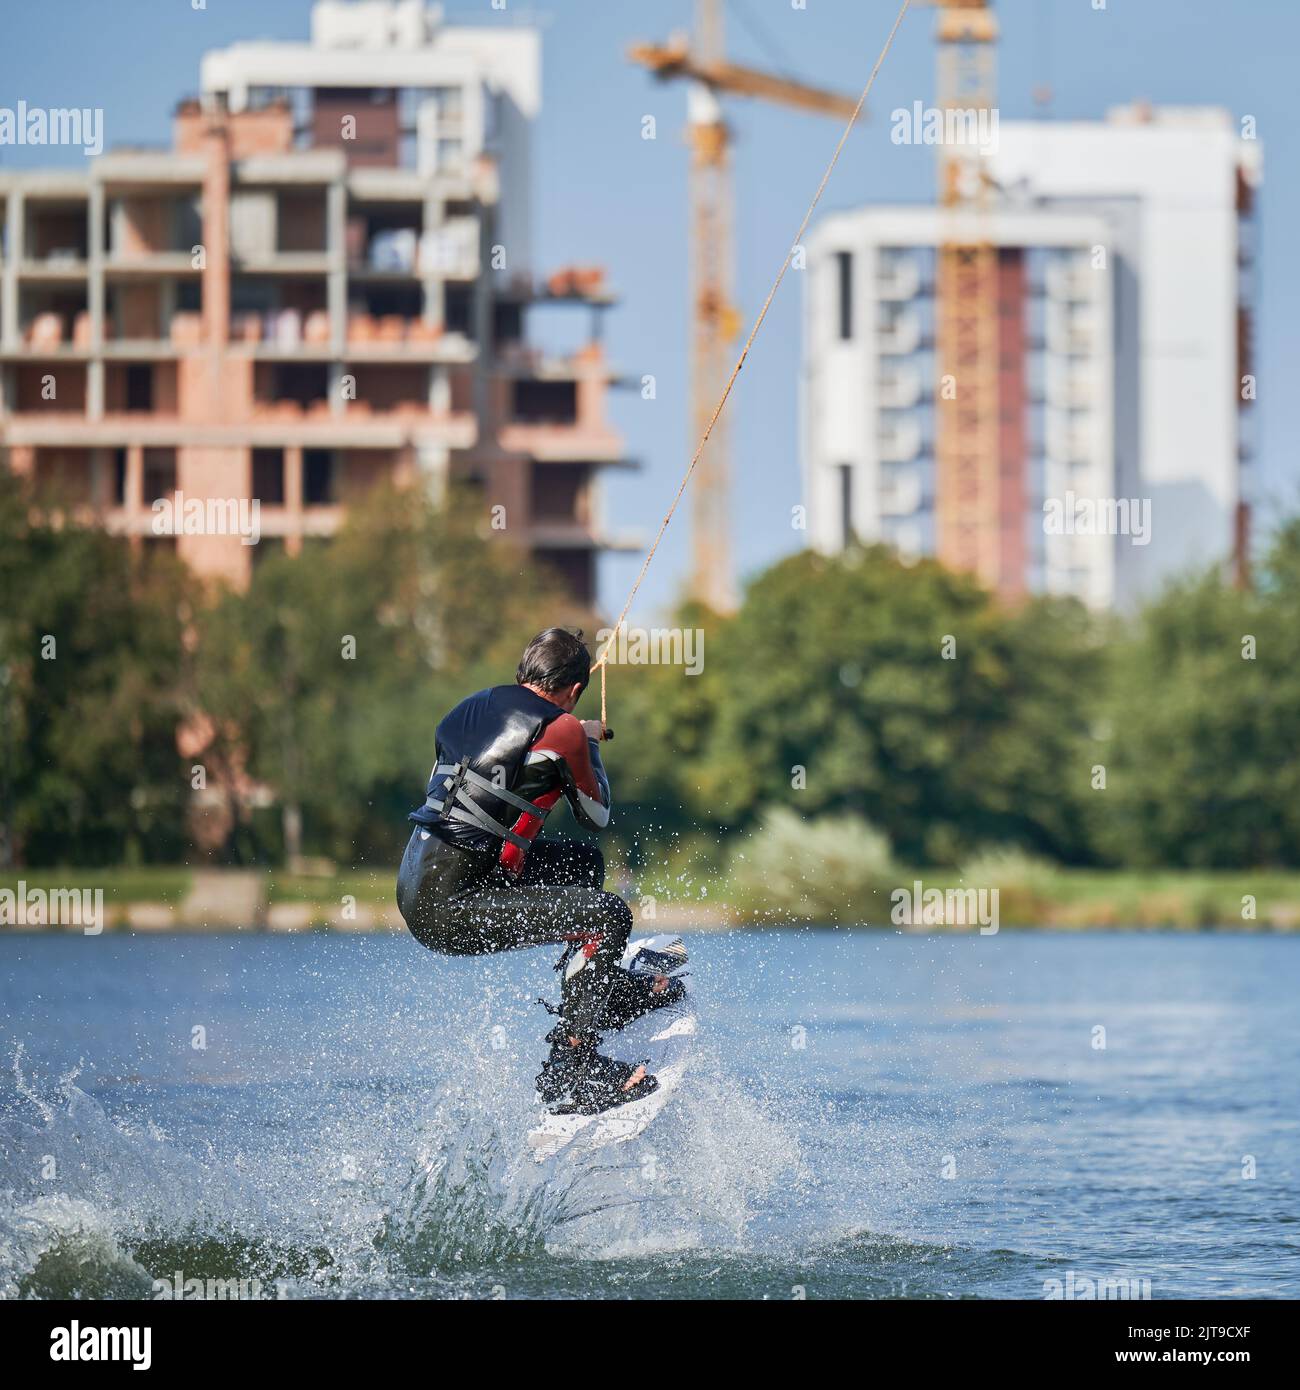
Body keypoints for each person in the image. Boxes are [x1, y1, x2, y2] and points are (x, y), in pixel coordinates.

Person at [396, 627, 683, 1114]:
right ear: (575, 689)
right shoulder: (564, 728)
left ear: (524, 671)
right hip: (453, 906)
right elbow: (597, 815)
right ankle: (573, 1068)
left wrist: (572, 736)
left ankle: (600, 997)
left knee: (582, 865)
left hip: (416, 882)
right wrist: (587, 741)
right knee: (610, 916)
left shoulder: (469, 707)